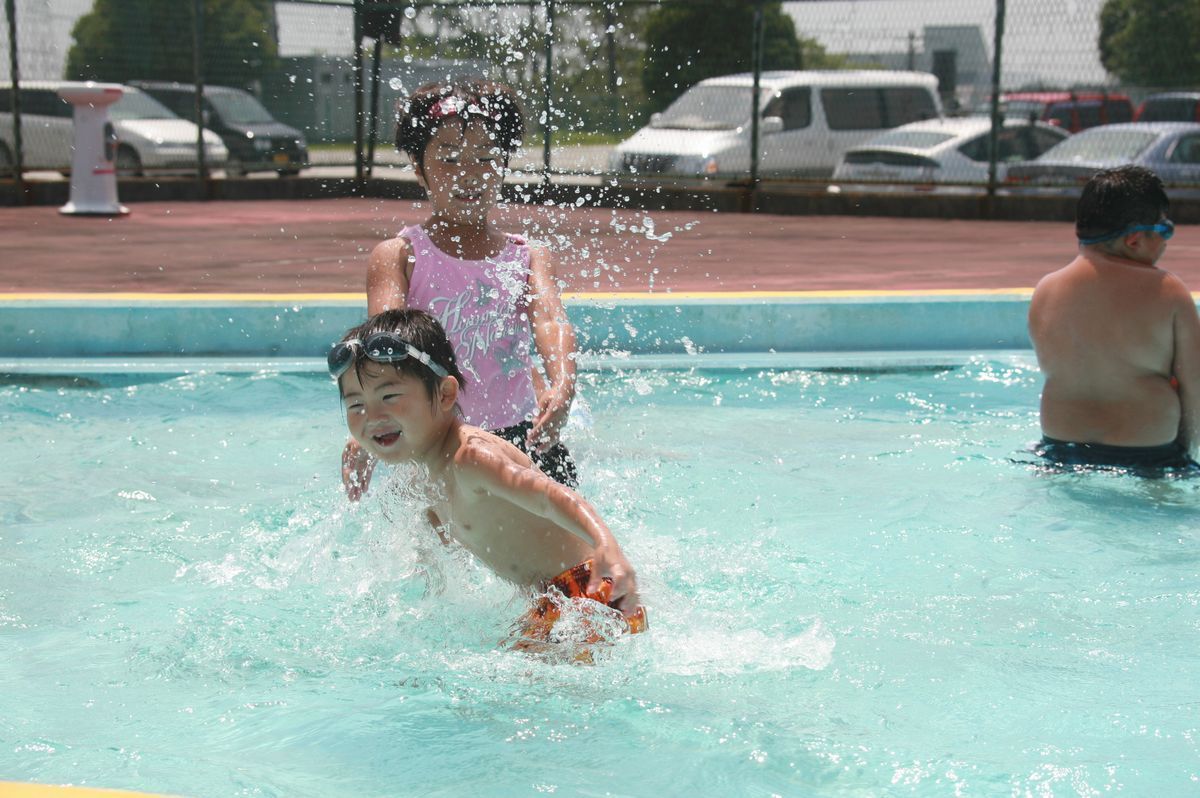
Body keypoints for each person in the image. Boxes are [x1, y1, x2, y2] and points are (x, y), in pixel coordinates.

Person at [329, 308, 647, 651]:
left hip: (592, 590)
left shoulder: (473, 457)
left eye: (389, 397)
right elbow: (441, 559)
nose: (373, 417)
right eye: (356, 404)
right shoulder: (422, 474)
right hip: (554, 603)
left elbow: (553, 498)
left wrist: (608, 550)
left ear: (446, 394)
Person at [341, 79, 579, 500]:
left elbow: (549, 320)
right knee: (433, 553)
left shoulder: (527, 257)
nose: (470, 174)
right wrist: (369, 428)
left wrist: (562, 385)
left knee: (571, 559)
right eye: (449, 159)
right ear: (418, 166)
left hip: (522, 437)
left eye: (486, 157)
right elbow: (381, 348)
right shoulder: (400, 257)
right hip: (437, 444)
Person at [1028, 165, 1200, 473]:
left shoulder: (1046, 289)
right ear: (1134, 240)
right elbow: (1195, 385)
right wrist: (1189, 454)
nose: (1166, 242)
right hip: (1150, 451)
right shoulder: (1168, 291)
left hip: (1061, 448)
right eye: (1165, 230)